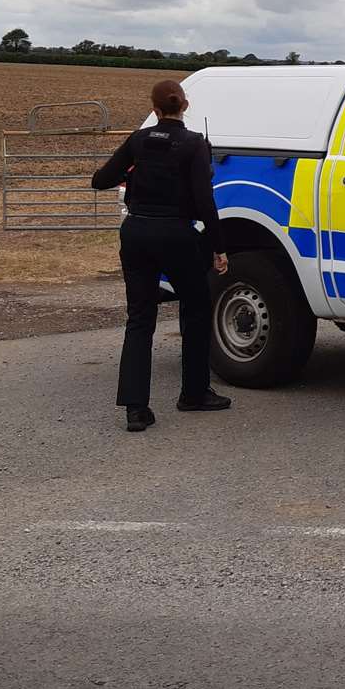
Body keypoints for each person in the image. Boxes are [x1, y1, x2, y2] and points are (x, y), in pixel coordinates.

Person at [91, 79, 232, 432]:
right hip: (176, 234)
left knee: (139, 319)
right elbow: (204, 199)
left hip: (136, 232)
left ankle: (136, 409)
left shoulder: (139, 141)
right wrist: (219, 246)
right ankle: (194, 394)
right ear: (184, 107)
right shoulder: (195, 143)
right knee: (195, 308)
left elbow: (100, 180)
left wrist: (133, 170)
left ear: (154, 109)